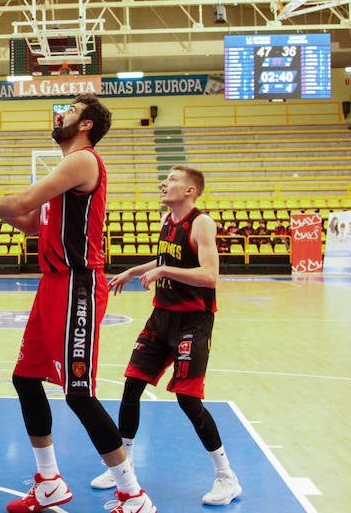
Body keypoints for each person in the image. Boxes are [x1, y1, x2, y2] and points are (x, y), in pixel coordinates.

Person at [0, 94, 155, 513]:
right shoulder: (66, 169)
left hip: (78, 285)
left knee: (78, 392)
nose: (60, 114)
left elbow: (20, 204)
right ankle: (49, 481)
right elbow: (32, 221)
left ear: (86, 124)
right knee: (25, 378)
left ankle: (134, 494)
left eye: (70, 110)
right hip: (53, 286)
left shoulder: (84, 160)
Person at [89, 166, 242, 507]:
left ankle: (226, 477)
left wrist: (163, 270)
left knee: (188, 400)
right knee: (131, 387)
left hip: (193, 322)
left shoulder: (201, 222)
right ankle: (121, 469)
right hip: (161, 317)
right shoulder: (165, 221)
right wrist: (135, 269)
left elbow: (210, 276)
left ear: (190, 191)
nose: (165, 183)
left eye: (173, 180)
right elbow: (164, 258)